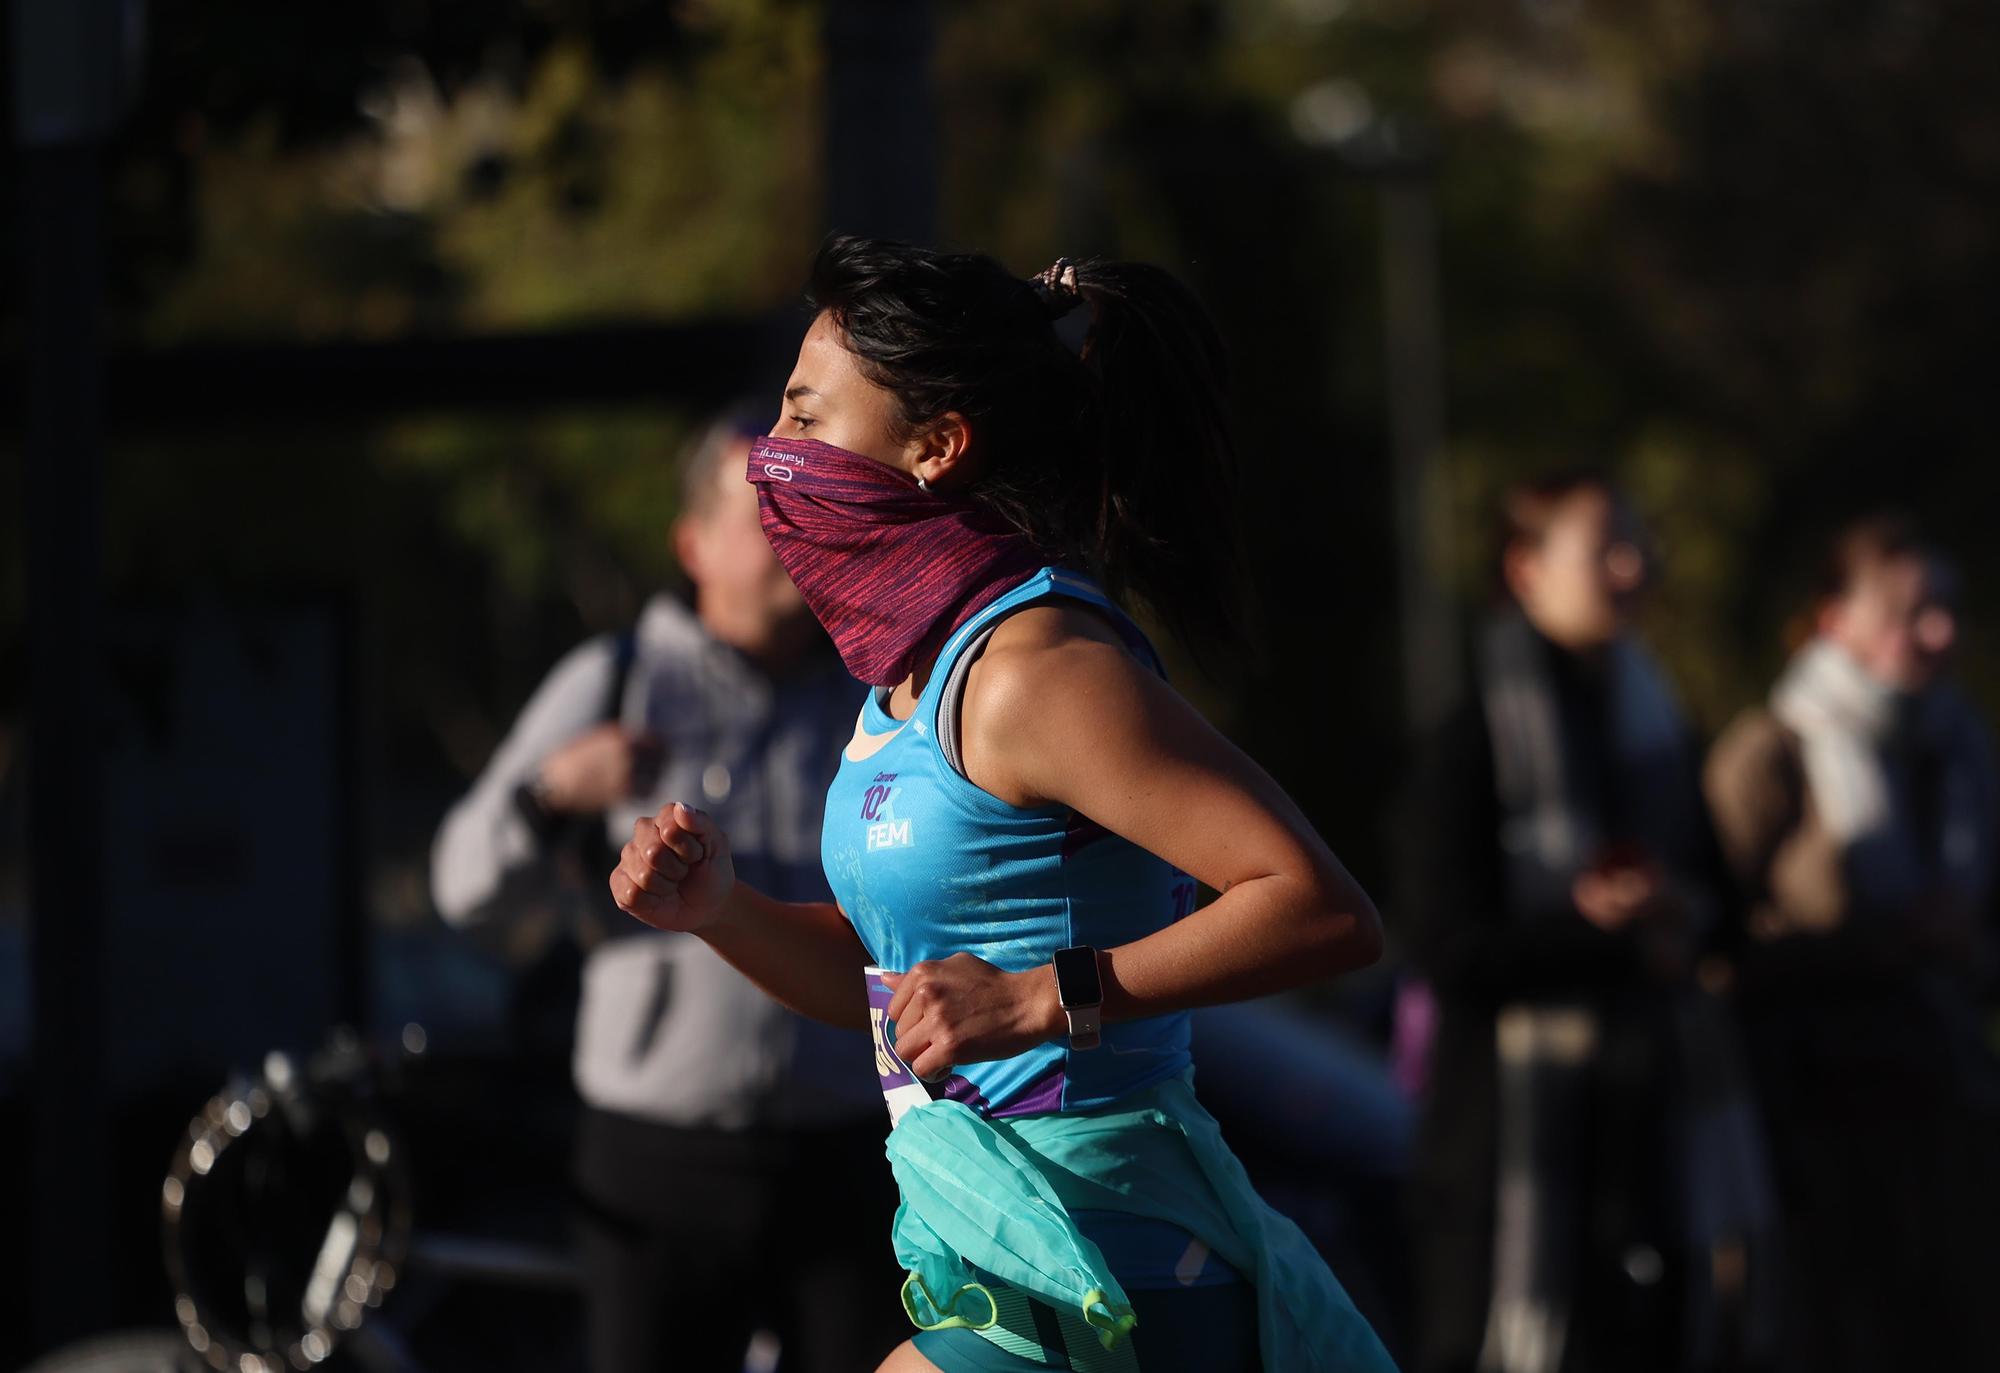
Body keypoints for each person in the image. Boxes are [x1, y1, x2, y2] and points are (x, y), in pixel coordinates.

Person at [608, 237, 1396, 1373]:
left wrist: (1045, 996)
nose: (768, 461)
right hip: (996, 1272)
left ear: (935, 446)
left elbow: (1322, 908)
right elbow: (905, 996)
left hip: (1115, 1269)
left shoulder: (1035, 667)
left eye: (804, 419)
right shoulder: (904, 675)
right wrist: (721, 908)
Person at [430, 415, 905, 1373]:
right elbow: (459, 887)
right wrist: (551, 793)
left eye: (803, 510)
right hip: (659, 1164)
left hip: (851, 1150)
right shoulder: (614, 681)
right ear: (691, 544)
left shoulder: (881, 692)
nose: (787, 534)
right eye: (757, 513)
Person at [1396, 473, 1771, 1373]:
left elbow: (1726, 913)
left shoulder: (1660, 728)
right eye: (1606, 545)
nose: (1635, 565)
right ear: (1525, 568)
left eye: (1639, 542)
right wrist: (1605, 939)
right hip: (1515, 1150)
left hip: (1651, 1132)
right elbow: (1443, 944)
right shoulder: (1478, 732)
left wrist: (1680, 913)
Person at [1704, 514, 1998, 1373]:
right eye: (1911, 609)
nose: (1939, 631)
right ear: (1835, 619)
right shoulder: (1770, 753)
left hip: (1946, 1107)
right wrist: (1881, 945)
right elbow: (1719, 948)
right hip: (1814, 1129)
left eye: (1948, 607)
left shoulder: (1962, 751)